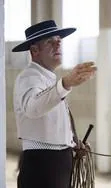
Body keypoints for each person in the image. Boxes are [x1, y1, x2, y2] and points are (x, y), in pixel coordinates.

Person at [12, 20, 97, 188]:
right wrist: (65, 84)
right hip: (42, 162)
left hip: (56, 161)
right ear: (34, 50)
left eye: (59, 41)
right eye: (50, 42)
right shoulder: (29, 77)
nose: (58, 44)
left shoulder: (48, 78)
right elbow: (33, 108)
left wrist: (71, 142)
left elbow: (51, 122)